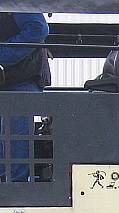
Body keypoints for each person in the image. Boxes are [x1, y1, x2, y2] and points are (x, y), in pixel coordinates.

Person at [0, 12, 50, 182]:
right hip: (9, 81)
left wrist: (2, 54)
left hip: (21, 79)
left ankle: (15, 187)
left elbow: (38, 28)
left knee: (16, 133)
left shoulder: (18, 4)